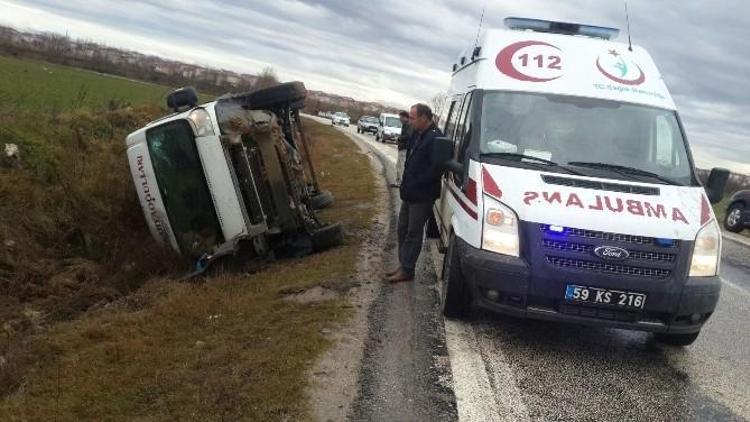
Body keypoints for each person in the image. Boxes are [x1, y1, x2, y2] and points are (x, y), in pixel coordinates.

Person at [386, 103, 443, 283]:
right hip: (410, 193)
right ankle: (404, 264)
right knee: (402, 229)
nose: (409, 121)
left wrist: (417, 183)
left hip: (422, 195)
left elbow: (436, 168)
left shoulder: (435, 138)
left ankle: (408, 270)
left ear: (424, 118)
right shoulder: (418, 134)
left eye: (412, 118)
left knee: (413, 233)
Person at [391, 110, 411, 188]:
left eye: (400, 117)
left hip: (404, 148)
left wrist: (399, 138)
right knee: (398, 165)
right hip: (402, 148)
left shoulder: (408, 124)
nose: (400, 119)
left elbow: (408, 136)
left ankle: (401, 183)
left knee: (401, 166)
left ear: (404, 117)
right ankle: (398, 182)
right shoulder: (405, 124)